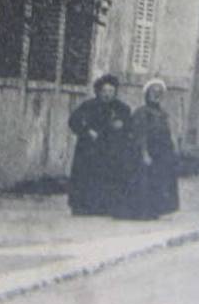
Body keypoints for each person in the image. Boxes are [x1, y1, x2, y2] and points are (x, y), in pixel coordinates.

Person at [67, 74, 133, 216]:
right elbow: (73, 121)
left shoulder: (122, 108)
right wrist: (87, 131)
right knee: (87, 178)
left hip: (111, 150)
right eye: (104, 91)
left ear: (115, 92)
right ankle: (83, 207)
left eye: (111, 91)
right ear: (98, 91)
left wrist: (122, 126)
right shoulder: (88, 106)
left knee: (109, 177)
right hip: (89, 150)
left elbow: (130, 127)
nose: (107, 95)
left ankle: (106, 207)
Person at [117, 79, 180, 220]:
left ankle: (155, 210)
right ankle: (142, 212)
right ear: (147, 94)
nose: (156, 95)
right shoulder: (142, 112)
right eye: (153, 92)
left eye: (159, 93)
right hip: (146, 152)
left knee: (159, 181)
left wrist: (173, 149)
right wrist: (144, 153)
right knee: (144, 182)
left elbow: (168, 133)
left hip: (161, 153)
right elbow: (140, 134)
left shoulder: (163, 113)